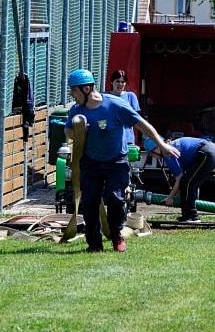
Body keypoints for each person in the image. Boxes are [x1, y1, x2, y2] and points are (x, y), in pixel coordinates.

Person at [64, 69, 178, 253]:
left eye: (74, 90)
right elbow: (68, 131)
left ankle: (116, 235)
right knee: (90, 203)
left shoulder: (114, 105)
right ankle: (94, 244)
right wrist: (79, 132)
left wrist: (162, 145)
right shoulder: (76, 110)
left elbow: (141, 124)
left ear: (86, 89)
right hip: (91, 163)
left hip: (116, 162)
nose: (72, 94)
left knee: (115, 199)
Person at [144, 136, 215, 222]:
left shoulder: (168, 153)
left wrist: (170, 197)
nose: (151, 155)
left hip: (207, 153)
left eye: (151, 152)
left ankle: (191, 216)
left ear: (158, 147)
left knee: (187, 182)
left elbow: (179, 178)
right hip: (211, 151)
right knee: (189, 182)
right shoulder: (170, 146)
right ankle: (188, 215)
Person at [107, 69, 141, 147]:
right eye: (117, 81)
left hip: (127, 140)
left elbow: (137, 119)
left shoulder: (131, 96)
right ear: (112, 82)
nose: (120, 84)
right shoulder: (105, 96)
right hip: (110, 140)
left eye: (123, 82)